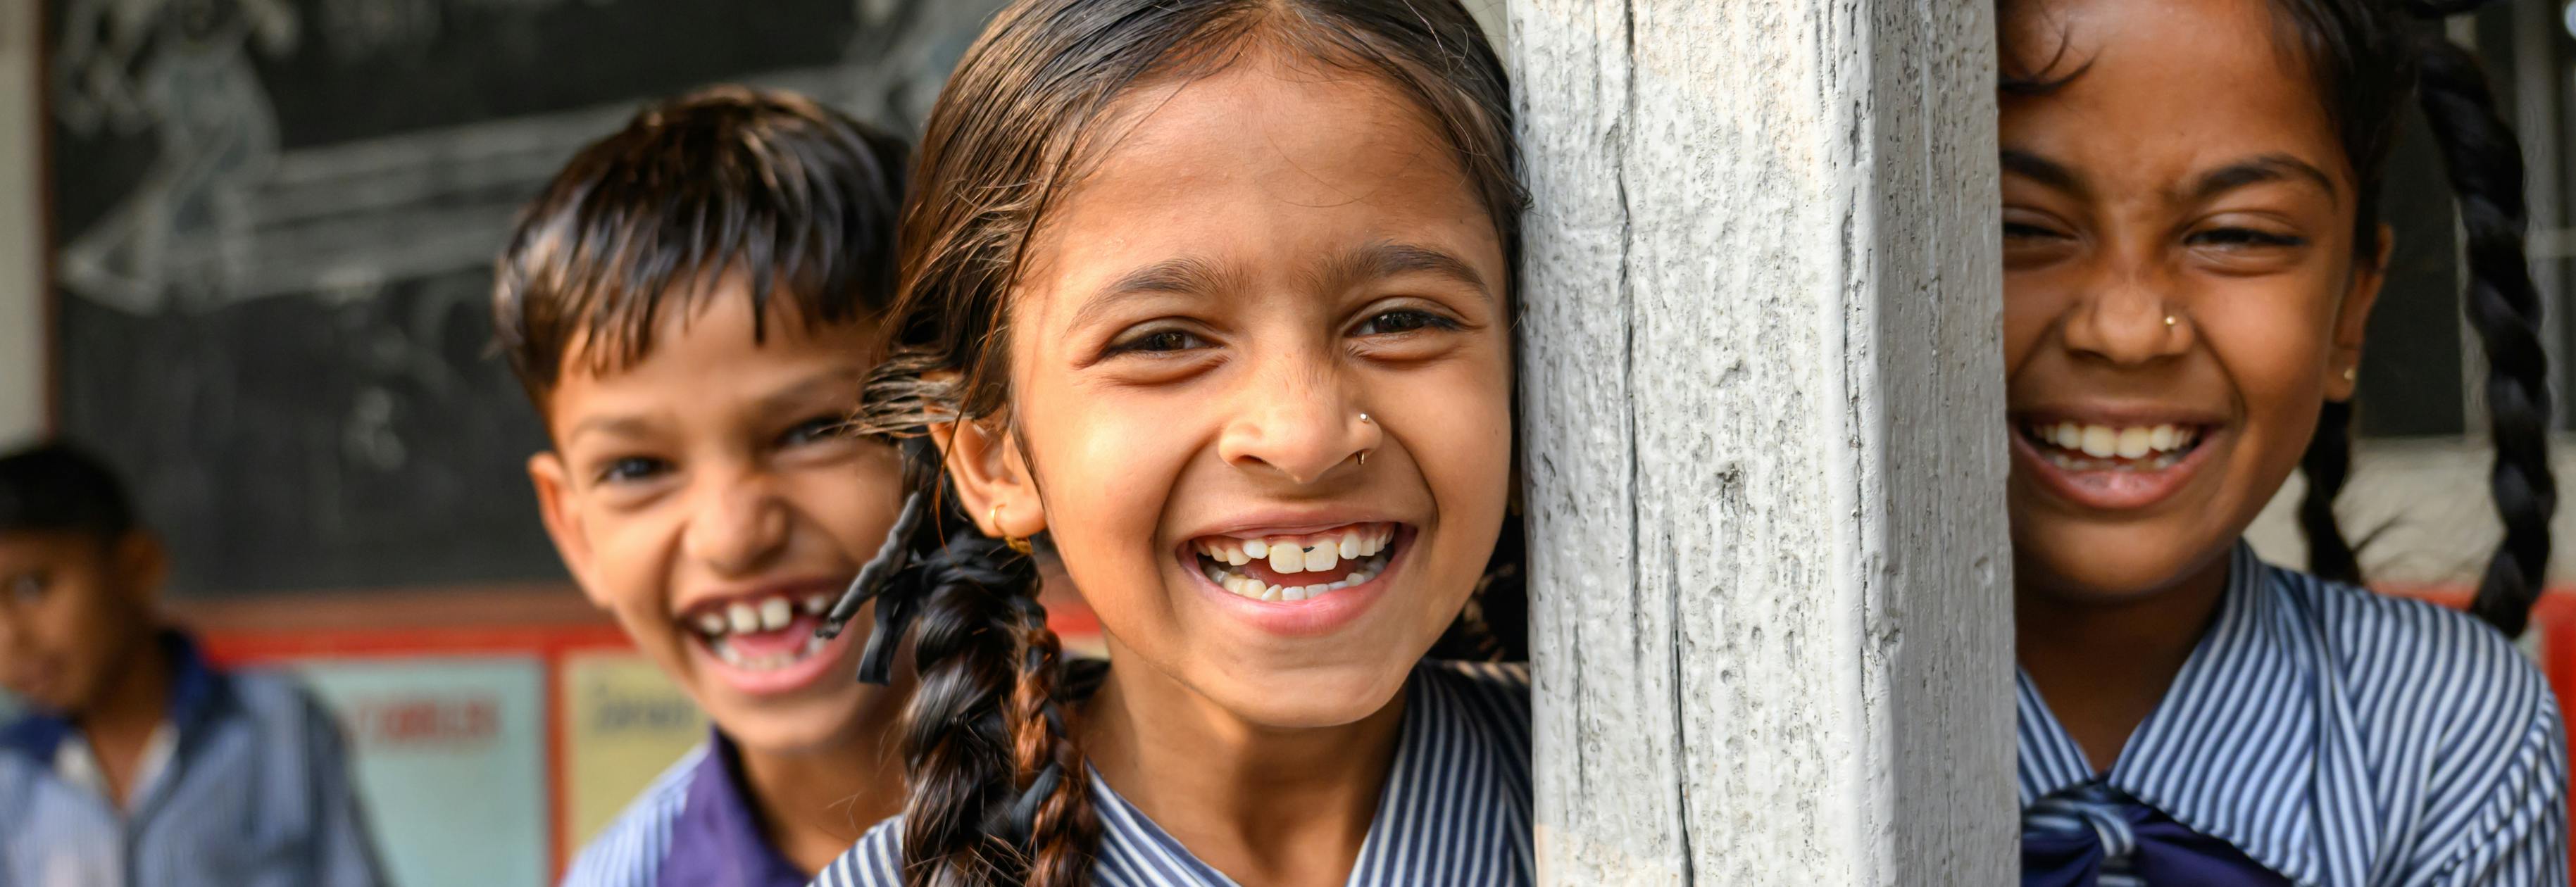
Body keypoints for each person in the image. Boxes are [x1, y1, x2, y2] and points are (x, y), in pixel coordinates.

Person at [809, 1, 1532, 883]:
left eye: (1400, 319)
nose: (1302, 437)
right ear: (992, 454)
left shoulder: (1656, 784)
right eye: (1164, 341)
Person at [1994, 0, 2566, 882]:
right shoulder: (1757, 719)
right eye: (2021, 227)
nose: (2127, 329)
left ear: (2350, 313)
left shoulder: (2445, 734)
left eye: (2234, 235)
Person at [493, 86, 922, 885]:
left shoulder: (1182, 812)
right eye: (638, 470)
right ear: (575, 530)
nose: (732, 535)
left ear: (965, 442)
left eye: (811, 432)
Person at [0, 441, 387, 886]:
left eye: (31, 588)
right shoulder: (10, 773)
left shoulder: (279, 726)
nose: (9, 637)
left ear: (137, 567)